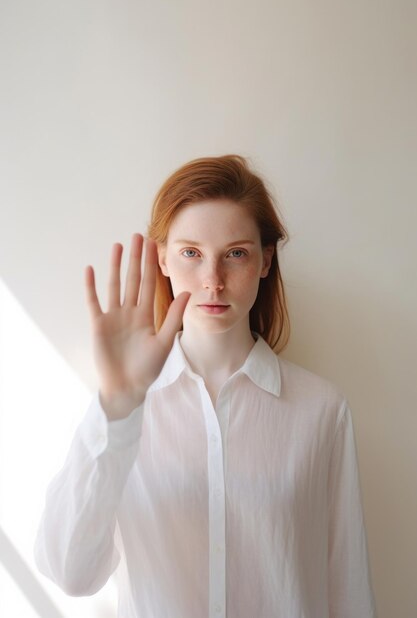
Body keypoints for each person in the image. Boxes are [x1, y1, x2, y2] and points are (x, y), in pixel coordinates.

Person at [34, 154, 377, 617]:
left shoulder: (321, 410)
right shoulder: (122, 414)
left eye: (235, 253)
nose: (212, 281)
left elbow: (349, 589)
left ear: (264, 261)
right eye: (191, 253)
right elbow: (70, 573)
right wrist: (116, 407)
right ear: (162, 259)